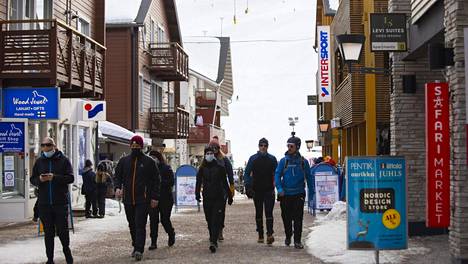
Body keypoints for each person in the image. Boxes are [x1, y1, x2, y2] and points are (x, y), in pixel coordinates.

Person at [114, 135, 161, 261]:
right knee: (132, 224)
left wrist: (154, 197)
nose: (135, 148)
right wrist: (117, 187)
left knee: (140, 224)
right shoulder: (124, 161)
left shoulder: (149, 162)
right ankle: (135, 245)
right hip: (128, 199)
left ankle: (139, 249)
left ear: (141, 147)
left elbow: (156, 180)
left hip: (143, 199)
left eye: (137, 146)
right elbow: (117, 176)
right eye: (133, 146)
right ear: (130, 146)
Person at [30, 137, 74, 264]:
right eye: (43, 145)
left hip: (60, 203)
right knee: (48, 233)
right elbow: (33, 179)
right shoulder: (39, 162)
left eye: (48, 145)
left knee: (62, 231)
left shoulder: (64, 161)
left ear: (53, 146)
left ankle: (67, 253)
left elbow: (70, 178)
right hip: (44, 204)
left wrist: (54, 177)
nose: (45, 147)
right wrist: (40, 180)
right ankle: (50, 259)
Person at [275, 133, 314, 249]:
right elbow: (277, 175)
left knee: (298, 218)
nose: (289, 148)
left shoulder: (303, 162)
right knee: (286, 218)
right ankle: (288, 235)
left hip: (299, 194)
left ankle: (297, 240)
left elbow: (309, 177)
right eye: (288, 146)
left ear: (297, 147)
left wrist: (312, 194)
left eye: (291, 146)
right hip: (286, 194)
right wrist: (280, 188)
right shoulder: (283, 161)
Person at [195, 146, 233, 253]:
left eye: (211, 153)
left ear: (214, 154)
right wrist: (197, 194)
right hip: (207, 197)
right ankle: (212, 236)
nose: (209, 155)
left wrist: (230, 196)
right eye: (207, 153)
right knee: (209, 219)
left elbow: (225, 183)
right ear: (205, 155)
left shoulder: (220, 168)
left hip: (218, 197)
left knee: (216, 219)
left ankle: (213, 241)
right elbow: (198, 182)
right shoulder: (202, 169)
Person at [244, 138, 278, 244]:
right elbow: (247, 173)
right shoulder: (253, 159)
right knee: (258, 212)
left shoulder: (272, 159)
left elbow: (277, 173)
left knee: (269, 212)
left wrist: (279, 186)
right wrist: (248, 186)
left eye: (265, 145)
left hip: (269, 190)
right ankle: (260, 234)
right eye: (261, 145)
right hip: (257, 190)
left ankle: (269, 234)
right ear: (258, 146)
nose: (263, 147)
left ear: (267, 147)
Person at [147, 150, 176, 250]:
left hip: (166, 198)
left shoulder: (166, 168)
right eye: (151, 158)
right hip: (152, 198)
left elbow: (171, 181)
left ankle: (171, 233)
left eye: (154, 158)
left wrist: (159, 182)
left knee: (164, 219)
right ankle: (153, 242)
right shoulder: (149, 169)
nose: (153, 160)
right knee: (153, 220)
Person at [208, 137, 234, 241]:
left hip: (221, 190)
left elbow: (230, 174)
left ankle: (219, 231)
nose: (214, 150)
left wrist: (231, 189)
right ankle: (212, 231)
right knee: (209, 212)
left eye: (216, 148)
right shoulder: (207, 160)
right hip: (209, 190)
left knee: (220, 212)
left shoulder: (224, 160)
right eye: (212, 148)